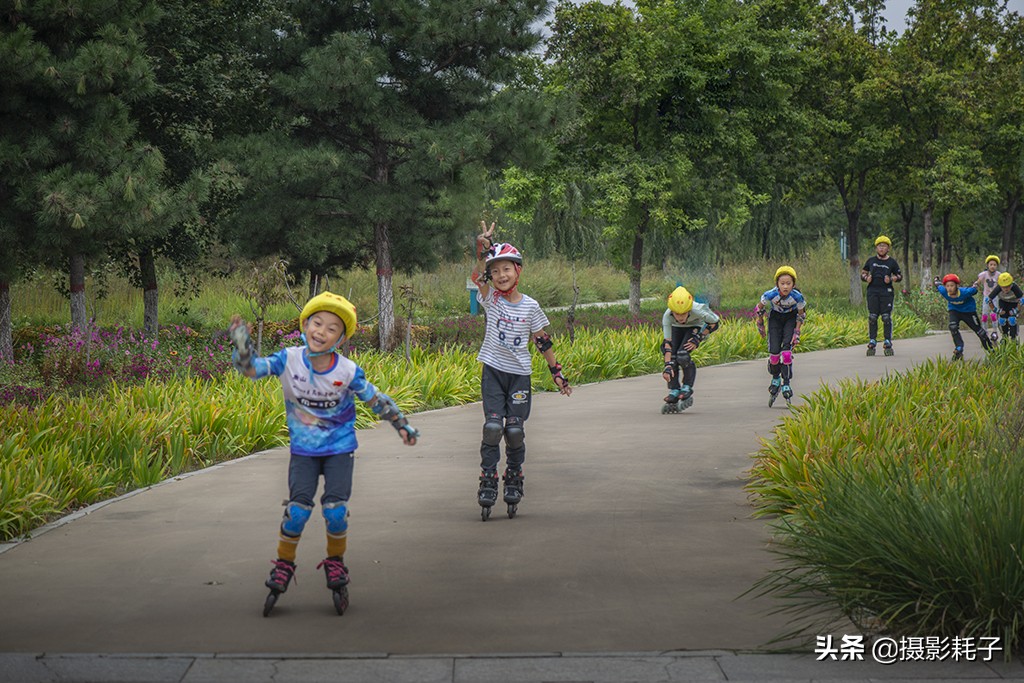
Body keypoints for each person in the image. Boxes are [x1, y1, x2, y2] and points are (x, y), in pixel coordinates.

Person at [228, 292, 419, 615]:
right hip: (303, 451)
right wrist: (243, 348)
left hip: (338, 450)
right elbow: (252, 370)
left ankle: (336, 563)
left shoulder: (347, 369)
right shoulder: (287, 359)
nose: (321, 331)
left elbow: (375, 398)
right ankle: (284, 564)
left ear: (341, 338)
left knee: (334, 511)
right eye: (317, 323)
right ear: (304, 325)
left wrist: (400, 423)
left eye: (332, 328)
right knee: (298, 512)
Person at [471, 221, 572, 521]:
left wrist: (557, 372)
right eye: (496, 270)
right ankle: (488, 477)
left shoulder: (530, 307)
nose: (501, 275)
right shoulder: (490, 300)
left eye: (507, 269)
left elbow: (542, 341)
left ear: (518, 271)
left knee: (513, 431)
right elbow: (477, 275)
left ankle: (513, 473)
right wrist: (482, 248)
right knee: (492, 428)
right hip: (493, 373)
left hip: (518, 377)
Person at [659, 285, 720, 413]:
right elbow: (667, 344)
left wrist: (698, 338)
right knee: (673, 359)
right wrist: (667, 366)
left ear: (689, 309)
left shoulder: (698, 310)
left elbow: (715, 323)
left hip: (695, 327)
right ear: (671, 311)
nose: (680, 318)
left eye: (684, 314)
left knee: (682, 355)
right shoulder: (667, 316)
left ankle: (687, 386)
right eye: (677, 314)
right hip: (676, 329)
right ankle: (674, 389)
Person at [754, 266, 807, 407]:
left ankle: (787, 383)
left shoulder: (797, 297)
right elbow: (759, 308)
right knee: (774, 355)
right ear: (777, 284)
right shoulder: (770, 295)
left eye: (788, 283)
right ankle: (776, 378)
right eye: (782, 283)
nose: (785, 286)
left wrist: (796, 331)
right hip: (775, 320)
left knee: (787, 353)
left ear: (793, 284)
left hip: (790, 319)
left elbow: (801, 315)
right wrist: (760, 324)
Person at [932, 273, 995, 360]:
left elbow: (974, 290)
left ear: (957, 286)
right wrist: (936, 280)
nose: (949, 288)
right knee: (953, 327)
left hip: (969, 312)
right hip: (954, 311)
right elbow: (938, 284)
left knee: (980, 332)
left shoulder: (965, 292)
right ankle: (959, 348)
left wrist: (975, 285)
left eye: (952, 285)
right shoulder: (944, 291)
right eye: (947, 286)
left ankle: (991, 350)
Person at [860, 235, 903, 356]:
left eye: (884, 246)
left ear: (888, 248)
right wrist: (866, 278)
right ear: (876, 248)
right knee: (873, 317)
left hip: (886, 292)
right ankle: (872, 340)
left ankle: (887, 341)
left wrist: (891, 278)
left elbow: (899, 276)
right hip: (872, 291)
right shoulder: (871, 261)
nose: (882, 248)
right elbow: (863, 273)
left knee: (886, 317)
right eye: (880, 246)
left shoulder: (892, 262)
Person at [985, 272, 1022, 343]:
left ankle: (1013, 338)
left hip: (1013, 303)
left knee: (1012, 320)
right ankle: (1004, 337)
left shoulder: (1014, 287)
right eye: (1003, 287)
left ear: (1011, 284)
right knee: (1002, 320)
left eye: (1008, 286)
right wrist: (995, 310)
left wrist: (1017, 310)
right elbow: (989, 300)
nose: (1006, 289)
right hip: (1003, 302)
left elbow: (1021, 300)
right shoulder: (998, 288)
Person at [975, 255, 1003, 341]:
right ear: (987, 265)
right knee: (984, 316)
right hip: (986, 298)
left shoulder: (999, 275)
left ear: (996, 266)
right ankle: (985, 331)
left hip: (995, 298)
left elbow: (1003, 283)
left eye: (994, 265)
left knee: (994, 315)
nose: (992, 266)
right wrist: (974, 287)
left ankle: (995, 332)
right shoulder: (984, 274)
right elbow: (978, 282)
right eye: (991, 264)